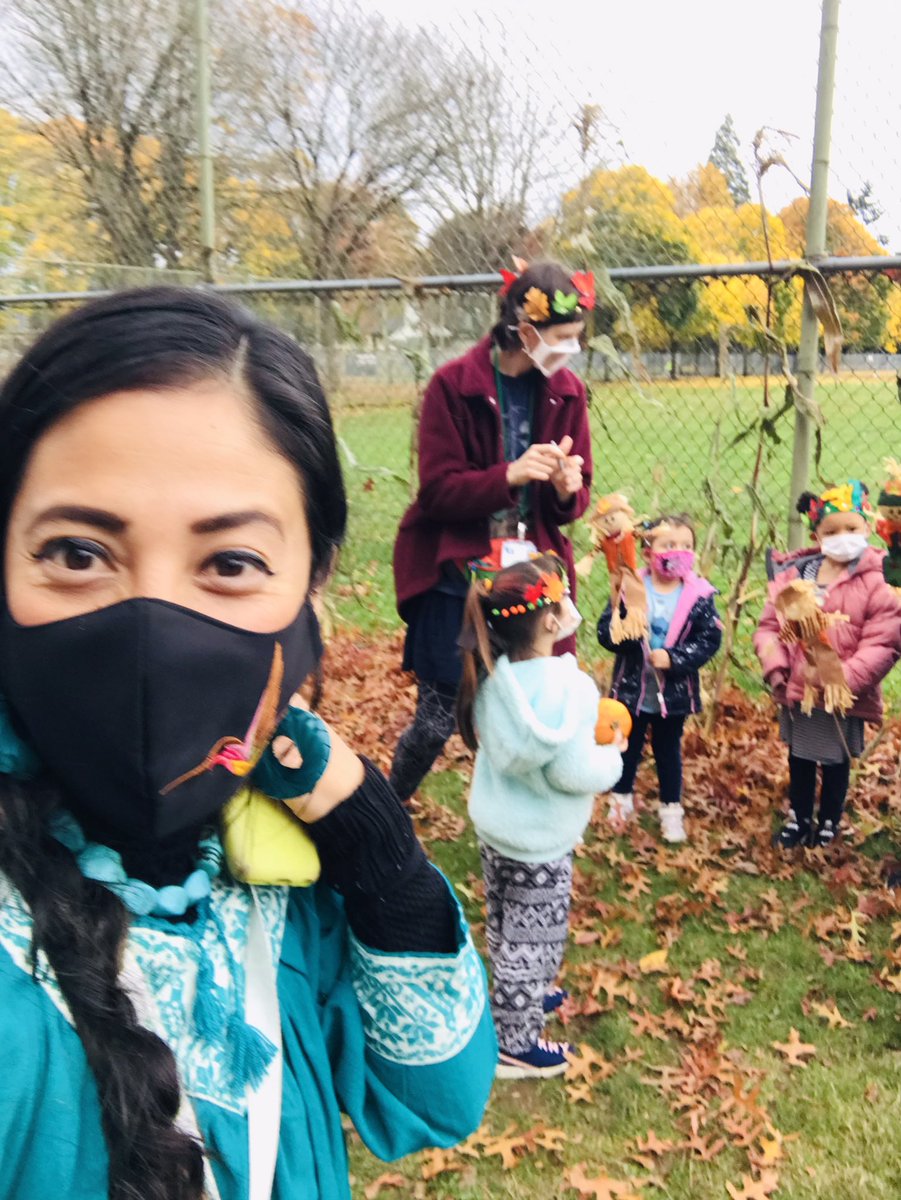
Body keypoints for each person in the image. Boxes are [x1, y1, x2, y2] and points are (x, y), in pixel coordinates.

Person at [0, 288, 495, 1200]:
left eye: (230, 564)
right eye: (77, 553)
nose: (151, 626)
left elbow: (431, 1098)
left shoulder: (275, 870)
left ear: (313, 595)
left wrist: (376, 852)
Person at [390, 261, 595, 803]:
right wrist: (508, 475)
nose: (572, 351)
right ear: (526, 333)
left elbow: (575, 502)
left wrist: (568, 488)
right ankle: (386, 809)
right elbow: (436, 492)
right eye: (564, 338)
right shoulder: (452, 388)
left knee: (528, 707)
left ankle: (526, 819)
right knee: (436, 720)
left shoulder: (568, 392)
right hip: (460, 575)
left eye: (578, 339)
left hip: (532, 576)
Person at [456, 554, 624, 1079]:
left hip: (498, 830)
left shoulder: (491, 679)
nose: (569, 610)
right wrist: (614, 755)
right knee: (537, 941)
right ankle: (515, 1042)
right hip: (542, 842)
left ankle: (516, 998)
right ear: (550, 621)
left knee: (508, 925)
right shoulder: (569, 689)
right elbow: (572, 772)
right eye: (563, 602)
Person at [754, 481, 901, 849]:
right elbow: (770, 627)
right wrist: (776, 669)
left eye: (851, 529)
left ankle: (829, 821)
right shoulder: (795, 575)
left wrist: (842, 679)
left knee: (836, 759)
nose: (843, 537)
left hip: (843, 693)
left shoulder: (879, 580)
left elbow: (883, 641)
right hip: (800, 690)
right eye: (831, 531)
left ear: (867, 528)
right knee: (800, 756)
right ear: (817, 534)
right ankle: (800, 816)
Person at [597, 515, 722, 844]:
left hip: (674, 695)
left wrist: (676, 659)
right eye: (669, 545)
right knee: (627, 748)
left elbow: (709, 640)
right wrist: (623, 634)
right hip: (632, 690)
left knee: (669, 752)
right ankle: (621, 801)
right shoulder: (630, 585)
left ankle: (671, 811)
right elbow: (605, 630)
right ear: (648, 549)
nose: (678, 551)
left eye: (686, 546)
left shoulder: (700, 596)